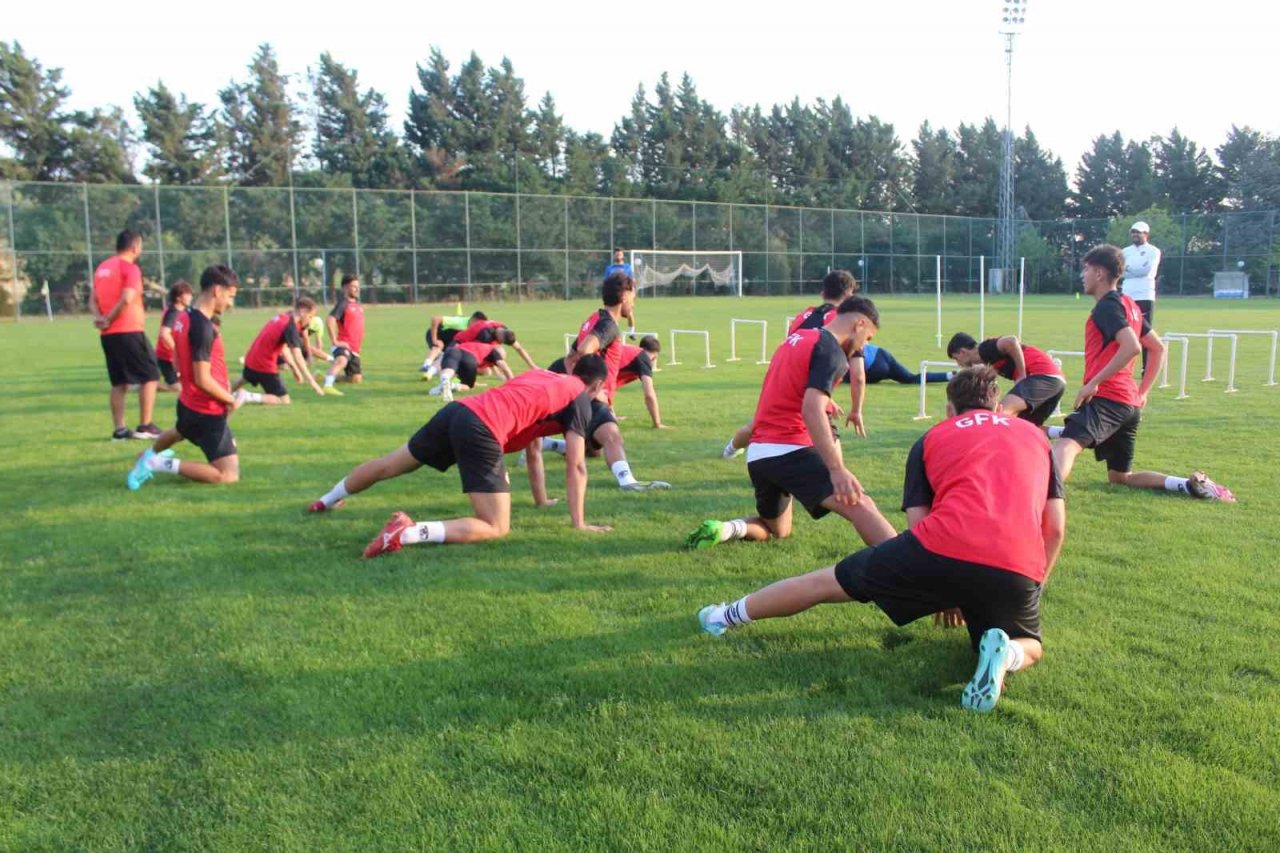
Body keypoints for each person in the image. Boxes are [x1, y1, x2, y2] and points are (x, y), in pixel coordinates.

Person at [697, 366, 1067, 714]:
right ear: (997, 404)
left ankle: (722, 616)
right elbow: (1055, 527)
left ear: (949, 408)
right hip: (1016, 564)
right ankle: (1008, 656)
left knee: (823, 583)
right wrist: (1034, 586)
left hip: (938, 549)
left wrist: (942, 590)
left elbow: (920, 522)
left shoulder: (933, 437)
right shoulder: (1035, 438)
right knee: (1030, 644)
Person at [307, 357, 615, 557]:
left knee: (389, 464)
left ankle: (326, 499)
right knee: (496, 526)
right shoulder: (580, 399)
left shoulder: (542, 375)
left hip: (459, 411)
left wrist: (541, 501)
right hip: (483, 428)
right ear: (598, 385)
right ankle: (409, 532)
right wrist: (580, 523)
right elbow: (576, 464)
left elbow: (533, 449)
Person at [687, 296, 897, 550]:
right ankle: (906, 569)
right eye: (869, 338)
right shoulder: (831, 351)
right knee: (859, 502)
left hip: (759, 456)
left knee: (778, 530)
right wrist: (836, 468)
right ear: (860, 324)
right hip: (789, 448)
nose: (863, 346)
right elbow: (811, 409)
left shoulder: (796, 339)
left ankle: (727, 529)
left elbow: (790, 388)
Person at [1048, 245, 1234, 501]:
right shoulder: (1129, 305)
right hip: (1128, 404)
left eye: (1087, 269)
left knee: (1066, 445)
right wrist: (1142, 391)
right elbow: (1157, 349)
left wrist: (1094, 383)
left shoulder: (1107, 306)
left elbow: (1133, 347)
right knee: (1120, 478)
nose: (1083, 274)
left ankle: (1043, 499)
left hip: (1108, 399)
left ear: (1100, 273)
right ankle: (1189, 486)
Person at [126, 265, 242, 489]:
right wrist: (229, 399)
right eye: (230, 296)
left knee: (180, 431)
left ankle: (146, 455)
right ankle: (155, 463)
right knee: (227, 474)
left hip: (188, 403)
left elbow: (178, 361)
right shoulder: (202, 327)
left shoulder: (183, 317)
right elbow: (202, 379)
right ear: (217, 290)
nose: (230, 303)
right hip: (207, 410)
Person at [559, 272, 670, 491]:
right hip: (591, 395)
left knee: (594, 448)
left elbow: (569, 358)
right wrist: (591, 389)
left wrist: (573, 386)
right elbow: (583, 351)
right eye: (634, 299)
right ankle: (629, 483)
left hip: (582, 394)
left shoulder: (594, 318)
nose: (634, 304)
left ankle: (544, 444)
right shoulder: (608, 325)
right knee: (612, 436)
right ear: (624, 296)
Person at [92, 229, 162, 440]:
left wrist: (100, 318)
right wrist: (110, 319)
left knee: (119, 382)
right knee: (151, 376)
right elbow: (127, 298)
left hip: (108, 334)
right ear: (134, 247)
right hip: (128, 330)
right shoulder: (130, 268)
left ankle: (120, 430)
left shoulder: (103, 267)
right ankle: (145, 425)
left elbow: (92, 299)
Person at [946, 332, 1065, 426]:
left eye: (957, 359)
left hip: (1043, 377)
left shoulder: (984, 349)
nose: (959, 364)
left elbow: (1011, 341)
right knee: (1025, 427)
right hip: (1055, 382)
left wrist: (1021, 375)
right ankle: (1064, 434)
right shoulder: (988, 360)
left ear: (962, 352)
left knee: (996, 417)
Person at [232, 297, 326, 405]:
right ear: (303, 311)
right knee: (284, 400)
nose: (310, 320)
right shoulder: (290, 326)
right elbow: (298, 355)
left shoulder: (284, 316)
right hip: (265, 364)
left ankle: (224, 395)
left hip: (252, 358)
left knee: (243, 379)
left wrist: (294, 369)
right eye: (310, 316)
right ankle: (247, 396)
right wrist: (312, 382)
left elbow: (284, 348)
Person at [1121, 222, 1161, 371]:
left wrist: (1129, 270)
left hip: (1144, 294)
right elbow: (1120, 271)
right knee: (1125, 331)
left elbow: (1147, 271)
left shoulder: (1153, 251)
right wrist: (1131, 270)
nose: (1135, 235)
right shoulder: (1125, 251)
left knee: (1145, 333)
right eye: (1133, 232)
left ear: (1146, 234)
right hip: (1127, 294)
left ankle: (1146, 368)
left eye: (1139, 232)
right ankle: (1123, 367)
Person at [322, 275, 364, 395]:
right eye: (354, 287)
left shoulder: (357, 305)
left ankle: (326, 377)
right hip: (343, 344)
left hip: (355, 349)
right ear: (345, 288)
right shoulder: (343, 304)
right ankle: (327, 386)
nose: (357, 289)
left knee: (356, 379)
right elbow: (330, 319)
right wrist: (335, 341)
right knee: (341, 361)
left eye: (358, 286)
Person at [422, 310, 487, 377]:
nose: (479, 327)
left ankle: (432, 370)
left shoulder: (475, 331)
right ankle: (426, 365)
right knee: (439, 346)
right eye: (478, 324)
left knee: (447, 356)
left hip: (450, 340)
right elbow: (435, 319)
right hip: (437, 333)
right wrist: (434, 339)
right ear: (473, 320)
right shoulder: (460, 322)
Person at [154, 281, 193, 392]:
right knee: (179, 389)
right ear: (178, 298)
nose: (191, 297)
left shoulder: (184, 311)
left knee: (189, 382)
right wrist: (178, 349)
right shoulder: (172, 313)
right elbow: (164, 333)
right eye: (188, 294)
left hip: (175, 357)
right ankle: (149, 385)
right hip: (166, 357)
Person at [604, 249, 639, 337]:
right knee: (612, 315)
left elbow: (632, 281)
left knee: (629, 314)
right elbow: (606, 282)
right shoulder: (609, 268)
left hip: (625, 294)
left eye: (620, 254)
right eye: (616, 254)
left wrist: (633, 294)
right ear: (614, 256)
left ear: (623, 256)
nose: (618, 256)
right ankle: (612, 333)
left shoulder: (627, 267)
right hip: (613, 294)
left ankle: (632, 332)